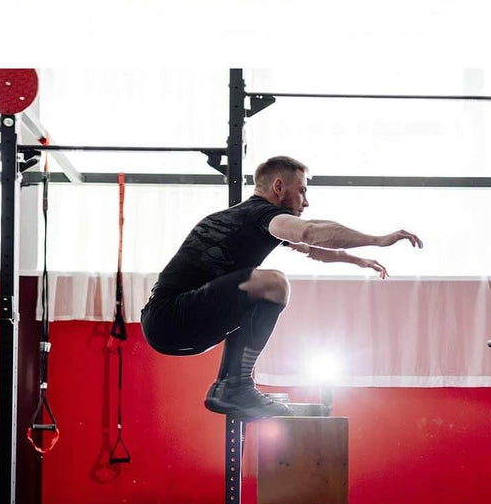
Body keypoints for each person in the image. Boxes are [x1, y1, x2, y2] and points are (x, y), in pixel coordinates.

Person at [141, 155, 423, 419]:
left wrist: (358, 261)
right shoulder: (261, 215)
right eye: (302, 191)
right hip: (170, 317)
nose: (306, 201)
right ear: (278, 187)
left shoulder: (251, 220)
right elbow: (311, 231)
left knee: (256, 295)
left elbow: (311, 248)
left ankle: (231, 387)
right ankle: (235, 386)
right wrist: (377, 239)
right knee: (273, 283)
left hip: (173, 323)